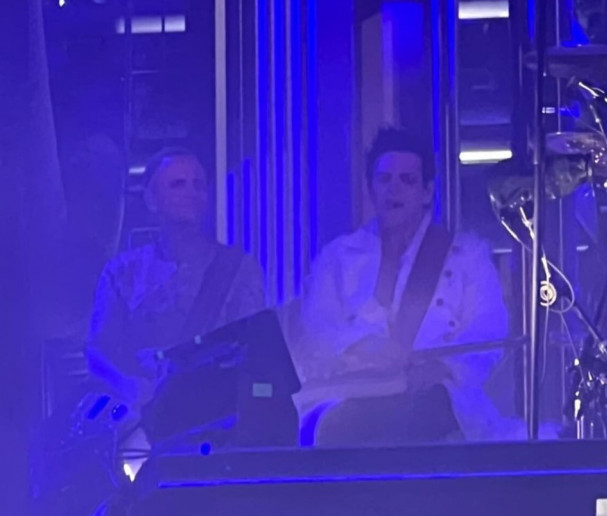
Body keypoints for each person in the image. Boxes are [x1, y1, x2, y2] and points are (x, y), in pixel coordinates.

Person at [295, 127, 510, 446]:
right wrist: (362, 348)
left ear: (426, 192)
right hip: (347, 397)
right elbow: (317, 330)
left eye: (407, 180)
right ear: (371, 189)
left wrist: (442, 368)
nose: (394, 189)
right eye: (384, 179)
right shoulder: (337, 257)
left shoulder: (469, 257)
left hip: (437, 400)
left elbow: (489, 330)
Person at [86, 147, 265, 416]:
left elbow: (254, 350)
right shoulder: (122, 272)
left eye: (198, 184)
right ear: (152, 199)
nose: (191, 192)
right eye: (178, 184)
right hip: (140, 418)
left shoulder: (239, 269)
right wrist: (129, 387)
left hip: (216, 416)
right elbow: (97, 351)